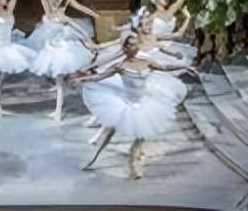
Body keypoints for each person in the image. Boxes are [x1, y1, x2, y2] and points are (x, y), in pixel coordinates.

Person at [72, 34, 191, 180]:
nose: (133, 47)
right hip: (125, 104)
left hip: (144, 102)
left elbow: (165, 67)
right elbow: (99, 77)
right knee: (109, 133)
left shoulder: (146, 62)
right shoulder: (120, 66)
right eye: (130, 45)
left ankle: (133, 163)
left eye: (135, 44)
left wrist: (184, 66)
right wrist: (81, 79)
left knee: (143, 134)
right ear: (125, 48)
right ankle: (94, 158)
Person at [28, 0, 100, 121]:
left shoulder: (62, 9)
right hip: (52, 44)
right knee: (59, 81)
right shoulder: (49, 8)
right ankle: (59, 110)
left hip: (62, 47)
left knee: (65, 79)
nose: (53, 1)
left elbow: (79, 9)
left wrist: (94, 15)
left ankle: (74, 106)